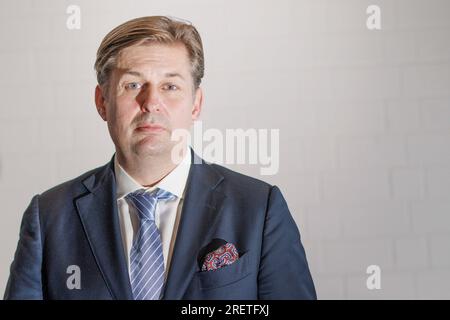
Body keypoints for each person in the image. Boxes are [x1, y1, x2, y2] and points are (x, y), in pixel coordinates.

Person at [4, 16, 316, 300]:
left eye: (170, 86)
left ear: (195, 104)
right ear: (102, 102)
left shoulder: (260, 209)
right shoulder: (48, 217)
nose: (151, 102)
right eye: (133, 84)